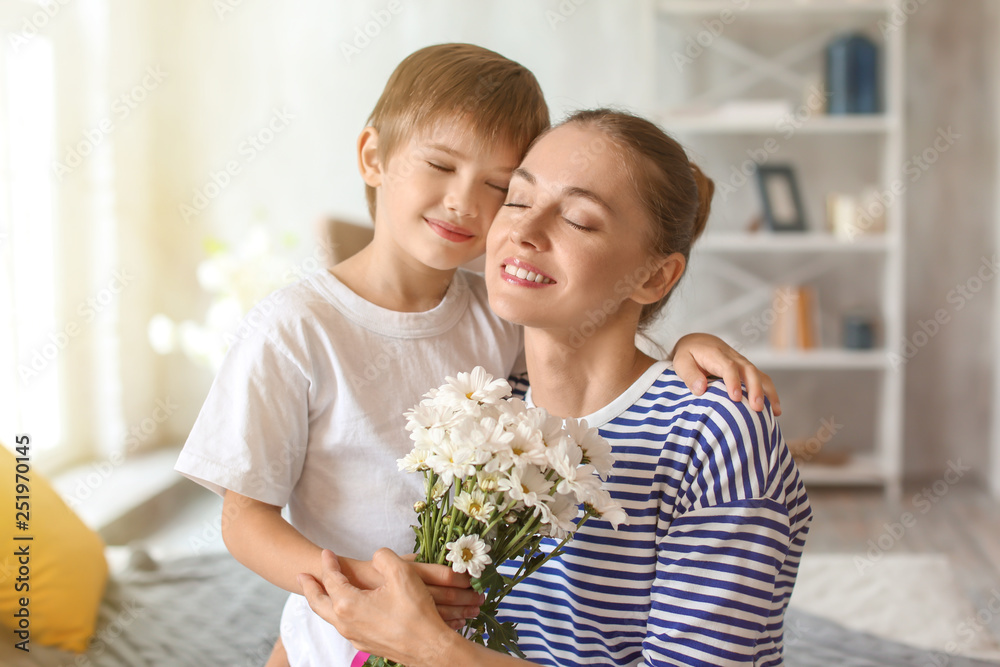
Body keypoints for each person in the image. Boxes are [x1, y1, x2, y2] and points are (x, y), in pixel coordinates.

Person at [176, 43, 780, 667]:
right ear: (372, 157)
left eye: (497, 186)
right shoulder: (294, 327)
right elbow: (245, 517)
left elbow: (603, 345)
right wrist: (366, 592)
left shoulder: (499, 320)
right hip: (340, 625)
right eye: (517, 198)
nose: (469, 203)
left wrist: (685, 345)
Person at [299, 109, 812, 666]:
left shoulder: (714, 431)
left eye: (580, 220)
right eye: (516, 200)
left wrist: (431, 650)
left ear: (654, 276)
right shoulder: (484, 410)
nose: (522, 229)